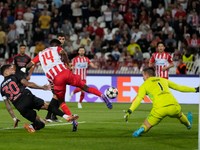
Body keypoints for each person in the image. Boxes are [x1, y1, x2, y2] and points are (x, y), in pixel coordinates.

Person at [26, 39, 112, 128]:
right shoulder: (56, 49)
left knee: (61, 101)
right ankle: (101, 95)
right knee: (85, 87)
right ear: (57, 45)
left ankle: (73, 121)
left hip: (56, 79)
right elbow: (63, 53)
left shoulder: (40, 54)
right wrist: (67, 64)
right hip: (66, 72)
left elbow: (30, 64)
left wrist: (24, 69)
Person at [0, 64, 78, 133]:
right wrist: (42, 87)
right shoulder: (15, 76)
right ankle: (67, 116)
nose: (13, 70)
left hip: (20, 107)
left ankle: (32, 126)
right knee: (48, 106)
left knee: (41, 124)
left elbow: (8, 105)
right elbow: (28, 84)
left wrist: (14, 118)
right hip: (27, 97)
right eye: (11, 69)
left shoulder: (1, 87)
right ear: (6, 72)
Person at [124, 67, 199, 137]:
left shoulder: (144, 85)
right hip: (173, 105)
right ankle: (188, 125)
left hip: (159, 109)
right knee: (180, 115)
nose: (142, 77)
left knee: (147, 124)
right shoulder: (163, 80)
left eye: (143, 75)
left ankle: (141, 129)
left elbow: (138, 99)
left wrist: (130, 111)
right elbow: (179, 87)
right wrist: (195, 89)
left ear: (146, 75)